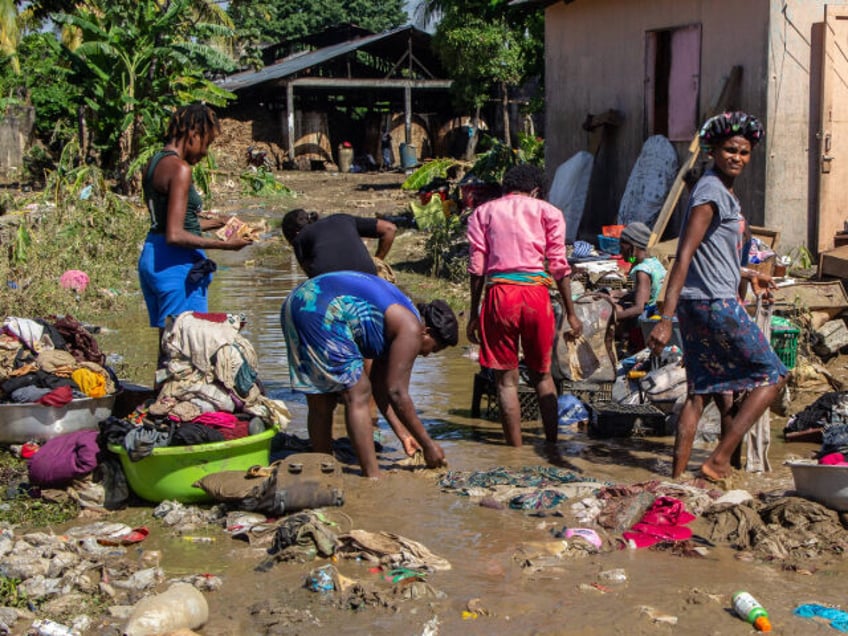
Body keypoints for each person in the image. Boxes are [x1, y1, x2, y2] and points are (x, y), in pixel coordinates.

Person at [647, 111, 787, 481]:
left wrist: (751, 273)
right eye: (729, 150)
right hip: (713, 303)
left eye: (743, 152)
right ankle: (720, 460)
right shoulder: (710, 191)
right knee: (772, 375)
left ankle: (678, 481)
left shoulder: (722, 192)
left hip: (703, 301)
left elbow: (715, 255)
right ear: (713, 151)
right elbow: (685, 255)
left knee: (700, 391)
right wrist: (664, 319)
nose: (737, 157)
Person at [280, 271, 459, 477]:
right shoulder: (411, 329)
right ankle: (372, 477)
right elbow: (398, 393)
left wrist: (404, 435)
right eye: (433, 348)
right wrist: (429, 445)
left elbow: (382, 390)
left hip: (299, 302)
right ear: (426, 331)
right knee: (358, 392)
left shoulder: (400, 319)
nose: (427, 354)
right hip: (320, 307)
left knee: (322, 398)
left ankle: (323, 468)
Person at [466, 163, 583, 447]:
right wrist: (571, 313)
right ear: (536, 190)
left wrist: (473, 315)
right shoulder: (550, 213)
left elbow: (477, 268)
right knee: (543, 375)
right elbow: (559, 267)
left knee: (506, 381)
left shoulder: (483, 213)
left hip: (500, 295)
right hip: (535, 295)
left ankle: (514, 451)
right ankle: (553, 446)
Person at [138, 103, 251, 351]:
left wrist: (219, 223)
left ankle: (160, 391)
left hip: (153, 257)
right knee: (185, 350)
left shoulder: (154, 163)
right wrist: (225, 245)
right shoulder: (180, 169)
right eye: (206, 144)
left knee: (169, 347)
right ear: (193, 135)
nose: (204, 153)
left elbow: (173, 223)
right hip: (176, 266)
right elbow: (176, 234)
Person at [281, 209, 396, 278]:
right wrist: (377, 260)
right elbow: (389, 229)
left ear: (295, 233)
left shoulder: (300, 238)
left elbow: (312, 276)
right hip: (367, 276)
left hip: (329, 281)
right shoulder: (342, 219)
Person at [607, 221, 667, 350]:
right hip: (657, 311)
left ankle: (625, 344)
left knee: (617, 308)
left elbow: (639, 308)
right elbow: (646, 294)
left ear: (632, 247)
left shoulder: (642, 271)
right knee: (615, 300)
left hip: (646, 322)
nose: (620, 250)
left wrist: (611, 317)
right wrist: (619, 294)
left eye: (622, 246)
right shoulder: (654, 261)